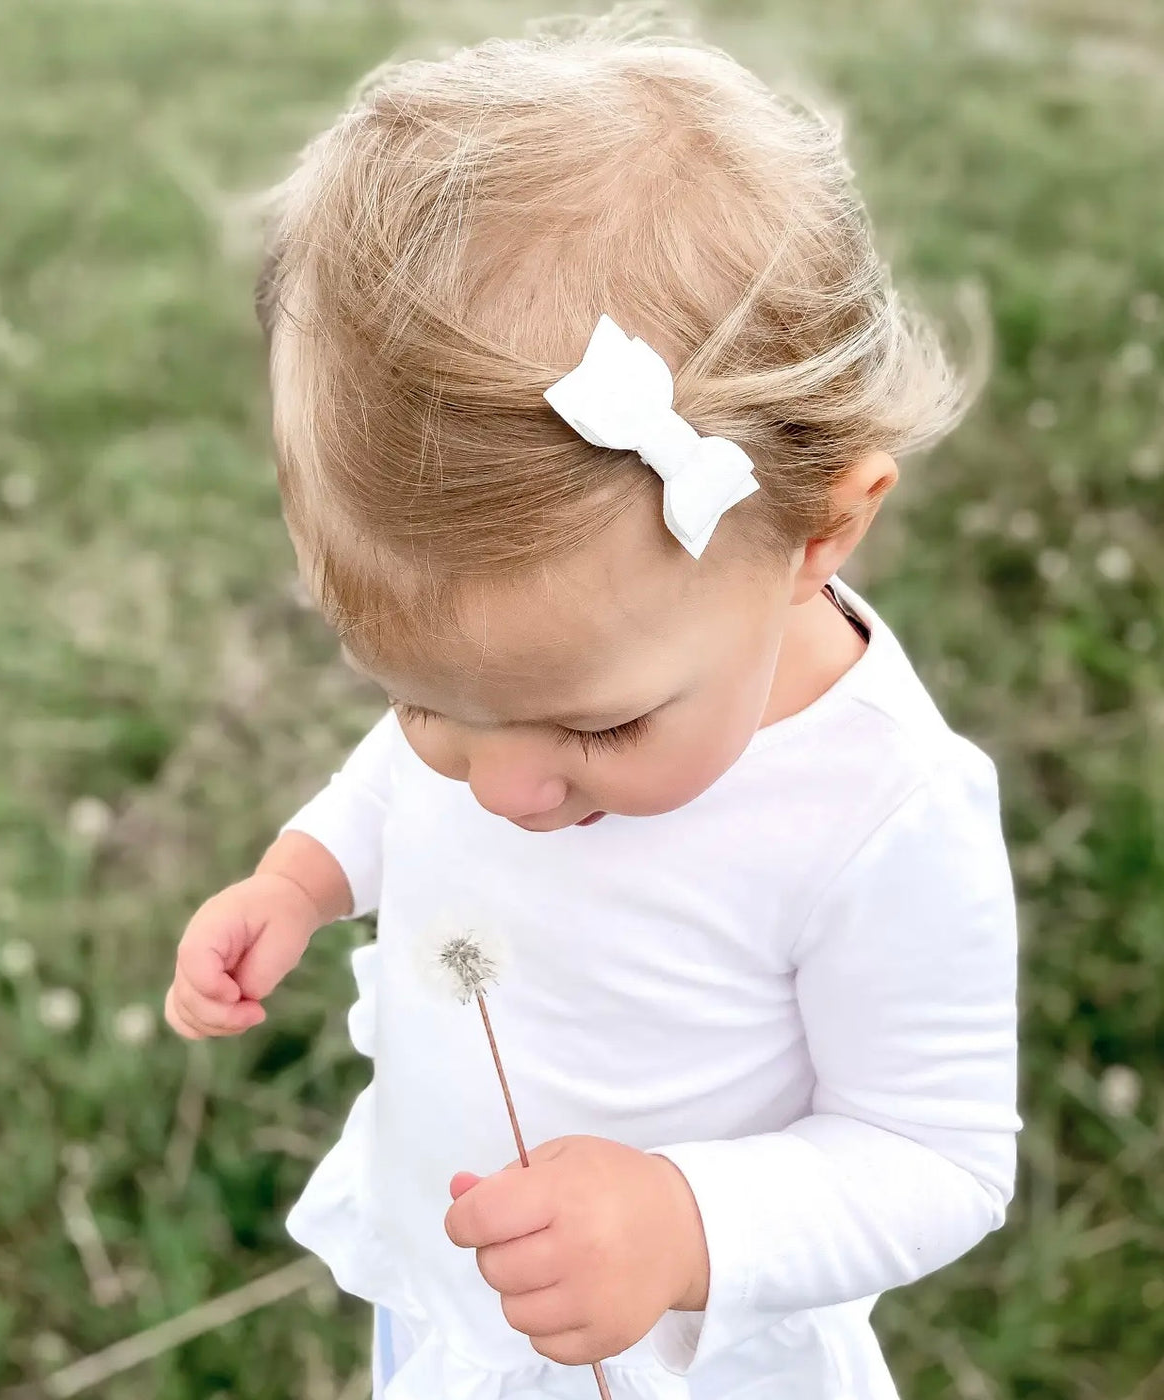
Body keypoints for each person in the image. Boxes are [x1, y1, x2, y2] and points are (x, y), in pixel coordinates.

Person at [164, 10, 1021, 1397]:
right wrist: (308, 875)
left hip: (690, 1361)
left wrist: (687, 1226)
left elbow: (938, 1152)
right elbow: (399, 778)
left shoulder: (880, 809)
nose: (499, 791)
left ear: (818, 536)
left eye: (600, 728)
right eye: (427, 705)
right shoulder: (525, 697)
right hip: (457, 1311)